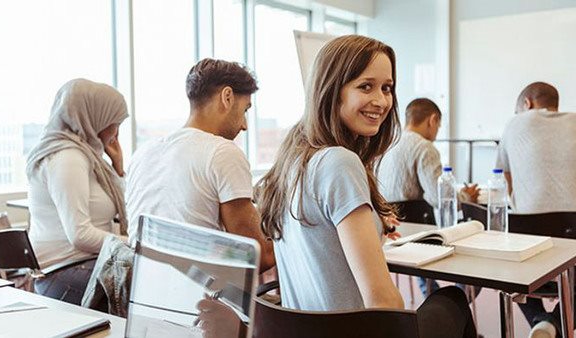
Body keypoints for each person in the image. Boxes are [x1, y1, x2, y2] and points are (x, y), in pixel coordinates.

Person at [255, 35, 476, 338]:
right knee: (452, 299)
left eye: (387, 88)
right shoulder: (339, 162)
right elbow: (382, 301)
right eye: (365, 86)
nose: (382, 101)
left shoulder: (293, 159)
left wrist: (373, 225)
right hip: (357, 331)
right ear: (332, 90)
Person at [125, 58, 275, 273]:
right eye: (245, 110)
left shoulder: (143, 154)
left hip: (141, 296)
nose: (244, 125)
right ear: (227, 97)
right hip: (200, 301)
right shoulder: (222, 152)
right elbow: (259, 258)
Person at [26, 78, 128, 305]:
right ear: (94, 119)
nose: (116, 132)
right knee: (152, 283)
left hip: (80, 266)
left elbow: (122, 210)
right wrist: (134, 243)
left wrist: (118, 168)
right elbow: (80, 235)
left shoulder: (84, 155)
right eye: (114, 122)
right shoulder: (68, 158)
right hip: (66, 272)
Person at [497, 81, 576, 338]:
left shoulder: (513, 124)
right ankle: (552, 323)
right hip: (572, 236)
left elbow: (504, 181)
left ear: (526, 105)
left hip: (528, 251)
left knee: (513, 263)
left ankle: (540, 321)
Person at [379, 98, 480, 297]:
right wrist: (466, 196)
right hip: (420, 234)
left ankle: (434, 299)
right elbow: (439, 197)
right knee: (476, 262)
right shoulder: (425, 147)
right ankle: (447, 307)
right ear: (432, 120)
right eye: (439, 126)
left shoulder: (387, 144)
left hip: (389, 232)